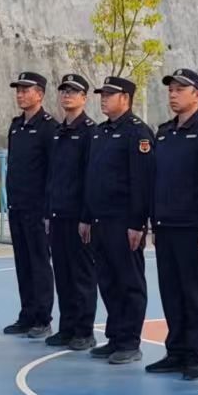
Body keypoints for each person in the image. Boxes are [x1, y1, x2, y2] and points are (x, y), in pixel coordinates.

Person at [147, 69, 198, 381]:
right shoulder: (165, 132)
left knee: (194, 293)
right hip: (166, 225)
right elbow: (157, 180)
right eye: (171, 89)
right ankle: (175, 350)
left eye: (180, 89)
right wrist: (154, 222)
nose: (173, 94)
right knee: (171, 291)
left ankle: (195, 356)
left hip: (194, 229)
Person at [79, 76, 155, 364]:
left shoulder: (138, 132)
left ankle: (130, 342)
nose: (103, 99)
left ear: (125, 98)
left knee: (128, 282)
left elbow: (142, 181)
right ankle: (115, 336)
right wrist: (86, 217)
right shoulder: (100, 133)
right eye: (102, 94)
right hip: (100, 220)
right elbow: (92, 177)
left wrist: (138, 223)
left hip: (123, 222)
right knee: (108, 281)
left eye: (109, 94)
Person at [45, 74, 98, 350]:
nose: (67, 95)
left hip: (78, 217)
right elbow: (52, 175)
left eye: (73, 92)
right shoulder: (58, 131)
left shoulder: (90, 132)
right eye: (64, 91)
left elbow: (91, 177)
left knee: (82, 275)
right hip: (58, 214)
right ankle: (67, 328)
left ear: (84, 98)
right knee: (63, 274)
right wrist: (48, 211)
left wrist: (86, 217)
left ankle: (84, 331)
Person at [3, 71, 56, 338]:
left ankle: (42, 318)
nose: (20, 94)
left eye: (26, 90)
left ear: (40, 94)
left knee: (39, 263)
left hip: (37, 208)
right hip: (18, 205)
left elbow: (52, 171)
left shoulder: (49, 127)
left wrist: (48, 209)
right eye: (18, 90)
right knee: (22, 263)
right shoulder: (16, 126)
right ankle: (27, 314)